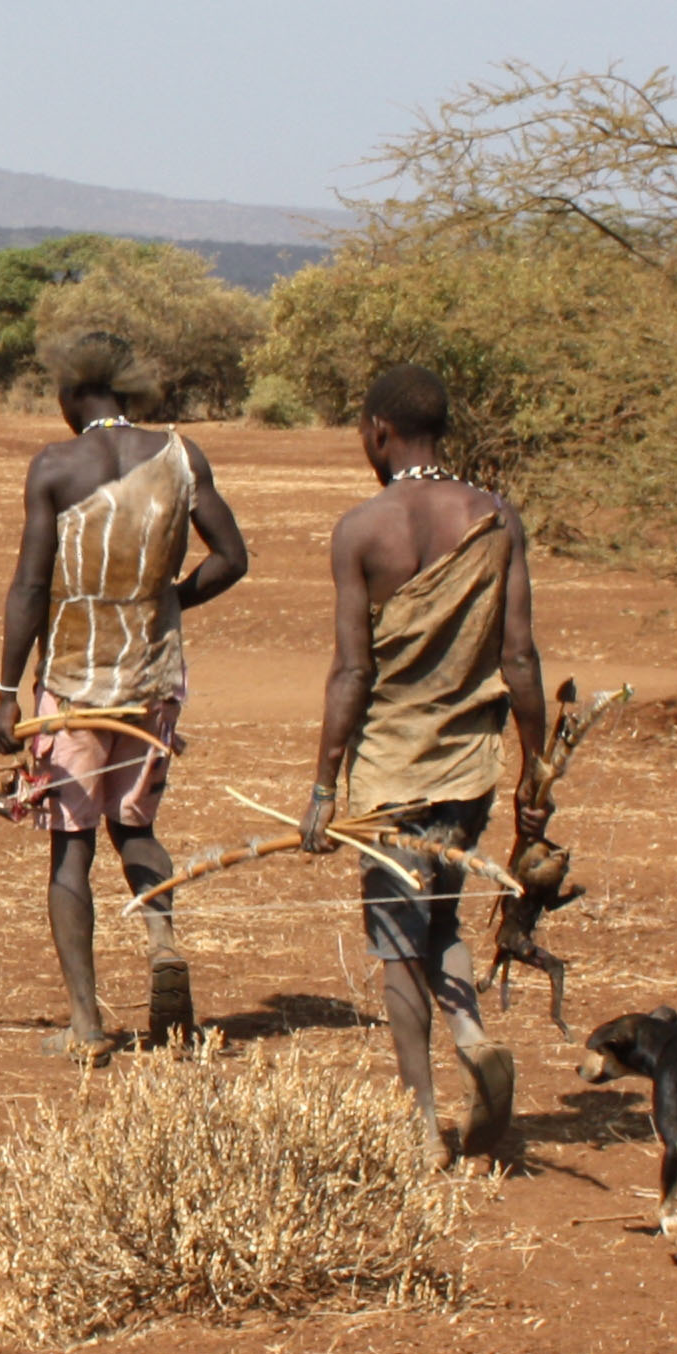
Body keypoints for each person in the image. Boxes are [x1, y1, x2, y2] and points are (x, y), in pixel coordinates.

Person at [299, 361, 548, 1166]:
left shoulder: (362, 530)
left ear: (378, 430)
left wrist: (322, 786)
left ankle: (419, 1120)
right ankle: (473, 1038)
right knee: (440, 915)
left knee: (396, 943)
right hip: (470, 765)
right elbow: (519, 659)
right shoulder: (495, 518)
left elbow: (352, 672)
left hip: (389, 774)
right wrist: (534, 770)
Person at [0, 331, 250, 1060]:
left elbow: (31, 588)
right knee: (134, 827)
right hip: (152, 681)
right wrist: (163, 604)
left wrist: (9, 696)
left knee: (70, 852)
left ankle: (87, 1026)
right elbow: (232, 559)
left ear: (73, 395)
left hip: (71, 686)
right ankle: (162, 940)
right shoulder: (180, 456)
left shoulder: (56, 465)